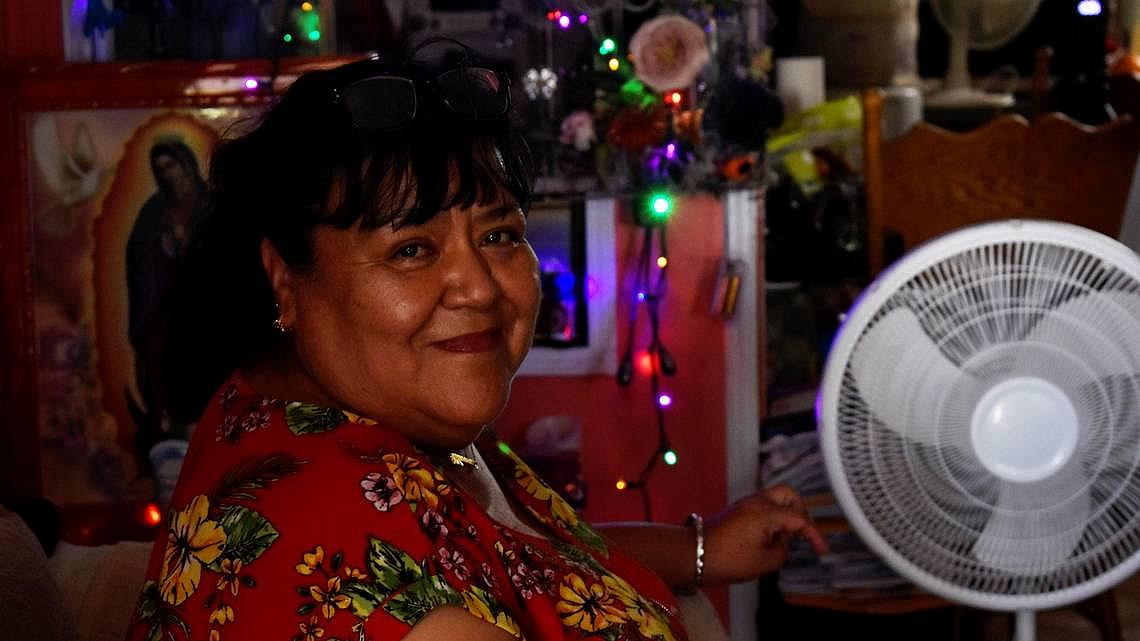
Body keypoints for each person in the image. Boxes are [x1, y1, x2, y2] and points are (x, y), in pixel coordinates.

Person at [123, 38, 826, 641]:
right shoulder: (322, 539)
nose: (481, 287)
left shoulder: (349, 414)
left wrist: (700, 549)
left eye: (499, 235)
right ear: (283, 278)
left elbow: (514, 558)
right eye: (411, 249)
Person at [125, 138, 207, 465]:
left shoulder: (212, 206)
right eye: (159, 169)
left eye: (170, 165)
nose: (166, 174)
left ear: (186, 163)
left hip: (210, 319)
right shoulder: (153, 212)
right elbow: (139, 265)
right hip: (170, 320)